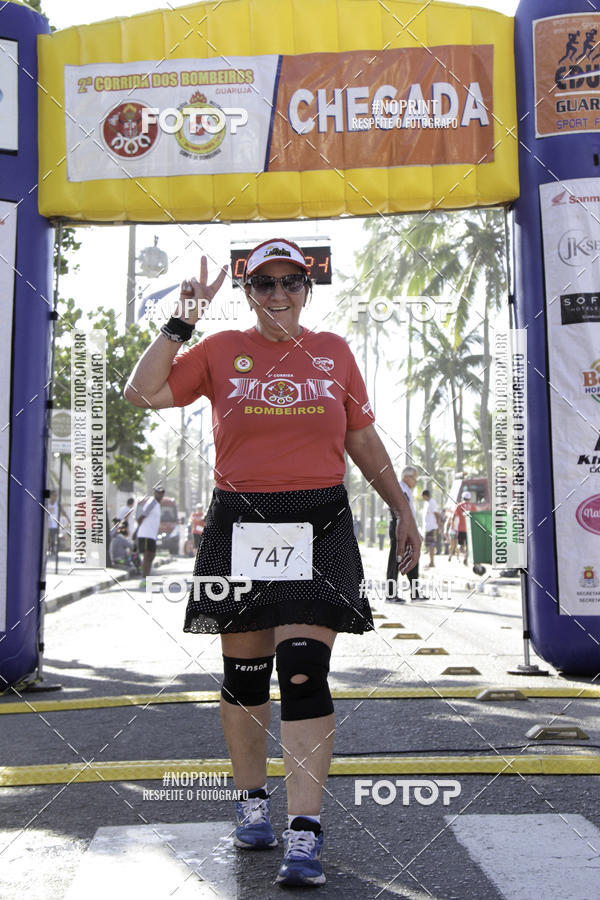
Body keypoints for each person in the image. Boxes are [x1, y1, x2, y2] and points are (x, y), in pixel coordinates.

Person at [124, 239, 421, 888]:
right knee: (246, 676)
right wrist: (182, 321)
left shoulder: (335, 352)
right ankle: (252, 802)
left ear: (309, 288)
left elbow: (361, 437)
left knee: (305, 673)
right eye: (265, 285)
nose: (279, 294)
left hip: (320, 521)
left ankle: (305, 833)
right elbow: (141, 393)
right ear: (249, 293)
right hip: (241, 522)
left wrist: (401, 506)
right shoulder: (219, 351)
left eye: (291, 282)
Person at [386, 466, 426, 603]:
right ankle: (390, 595)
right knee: (396, 559)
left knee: (412, 557)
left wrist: (415, 531)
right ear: (406, 477)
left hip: (409, 528)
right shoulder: (400, 488)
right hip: (400, 527)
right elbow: (396, 510)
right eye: (414, 478)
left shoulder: (407, 490)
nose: (416, 481)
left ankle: (415, 593)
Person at [134, 486, 165, 587]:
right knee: (147, 556)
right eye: (158, 492)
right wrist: (137, 530)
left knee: (151, 556)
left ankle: (147, 579)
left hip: (151, 535)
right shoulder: (152, 503)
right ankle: (143, 579)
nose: (160, 494)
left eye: (162, 493)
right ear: (154, 493)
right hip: (145, 534)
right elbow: (141, 516)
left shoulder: (157, 504)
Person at [451, 490, 473, 565]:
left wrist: (452, 525)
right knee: (467, 544)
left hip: (461, 528)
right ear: (470, 498)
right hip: (469, 529)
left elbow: (454, 516)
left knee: (460, 544)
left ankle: (458, 556)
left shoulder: (459, 506)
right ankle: (465, 557)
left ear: (463, 498)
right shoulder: (472, 506)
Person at [421, 489, 441, 568]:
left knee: (431, 545)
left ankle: (432, 562)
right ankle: (431, 561)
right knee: (429, 545)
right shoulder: (427, 503)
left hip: (432, 527)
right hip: (428, 527)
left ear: (426, 495)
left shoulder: (432, 502)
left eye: (423, 496)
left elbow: (437, 515)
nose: (422, 498)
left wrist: (439, 527)